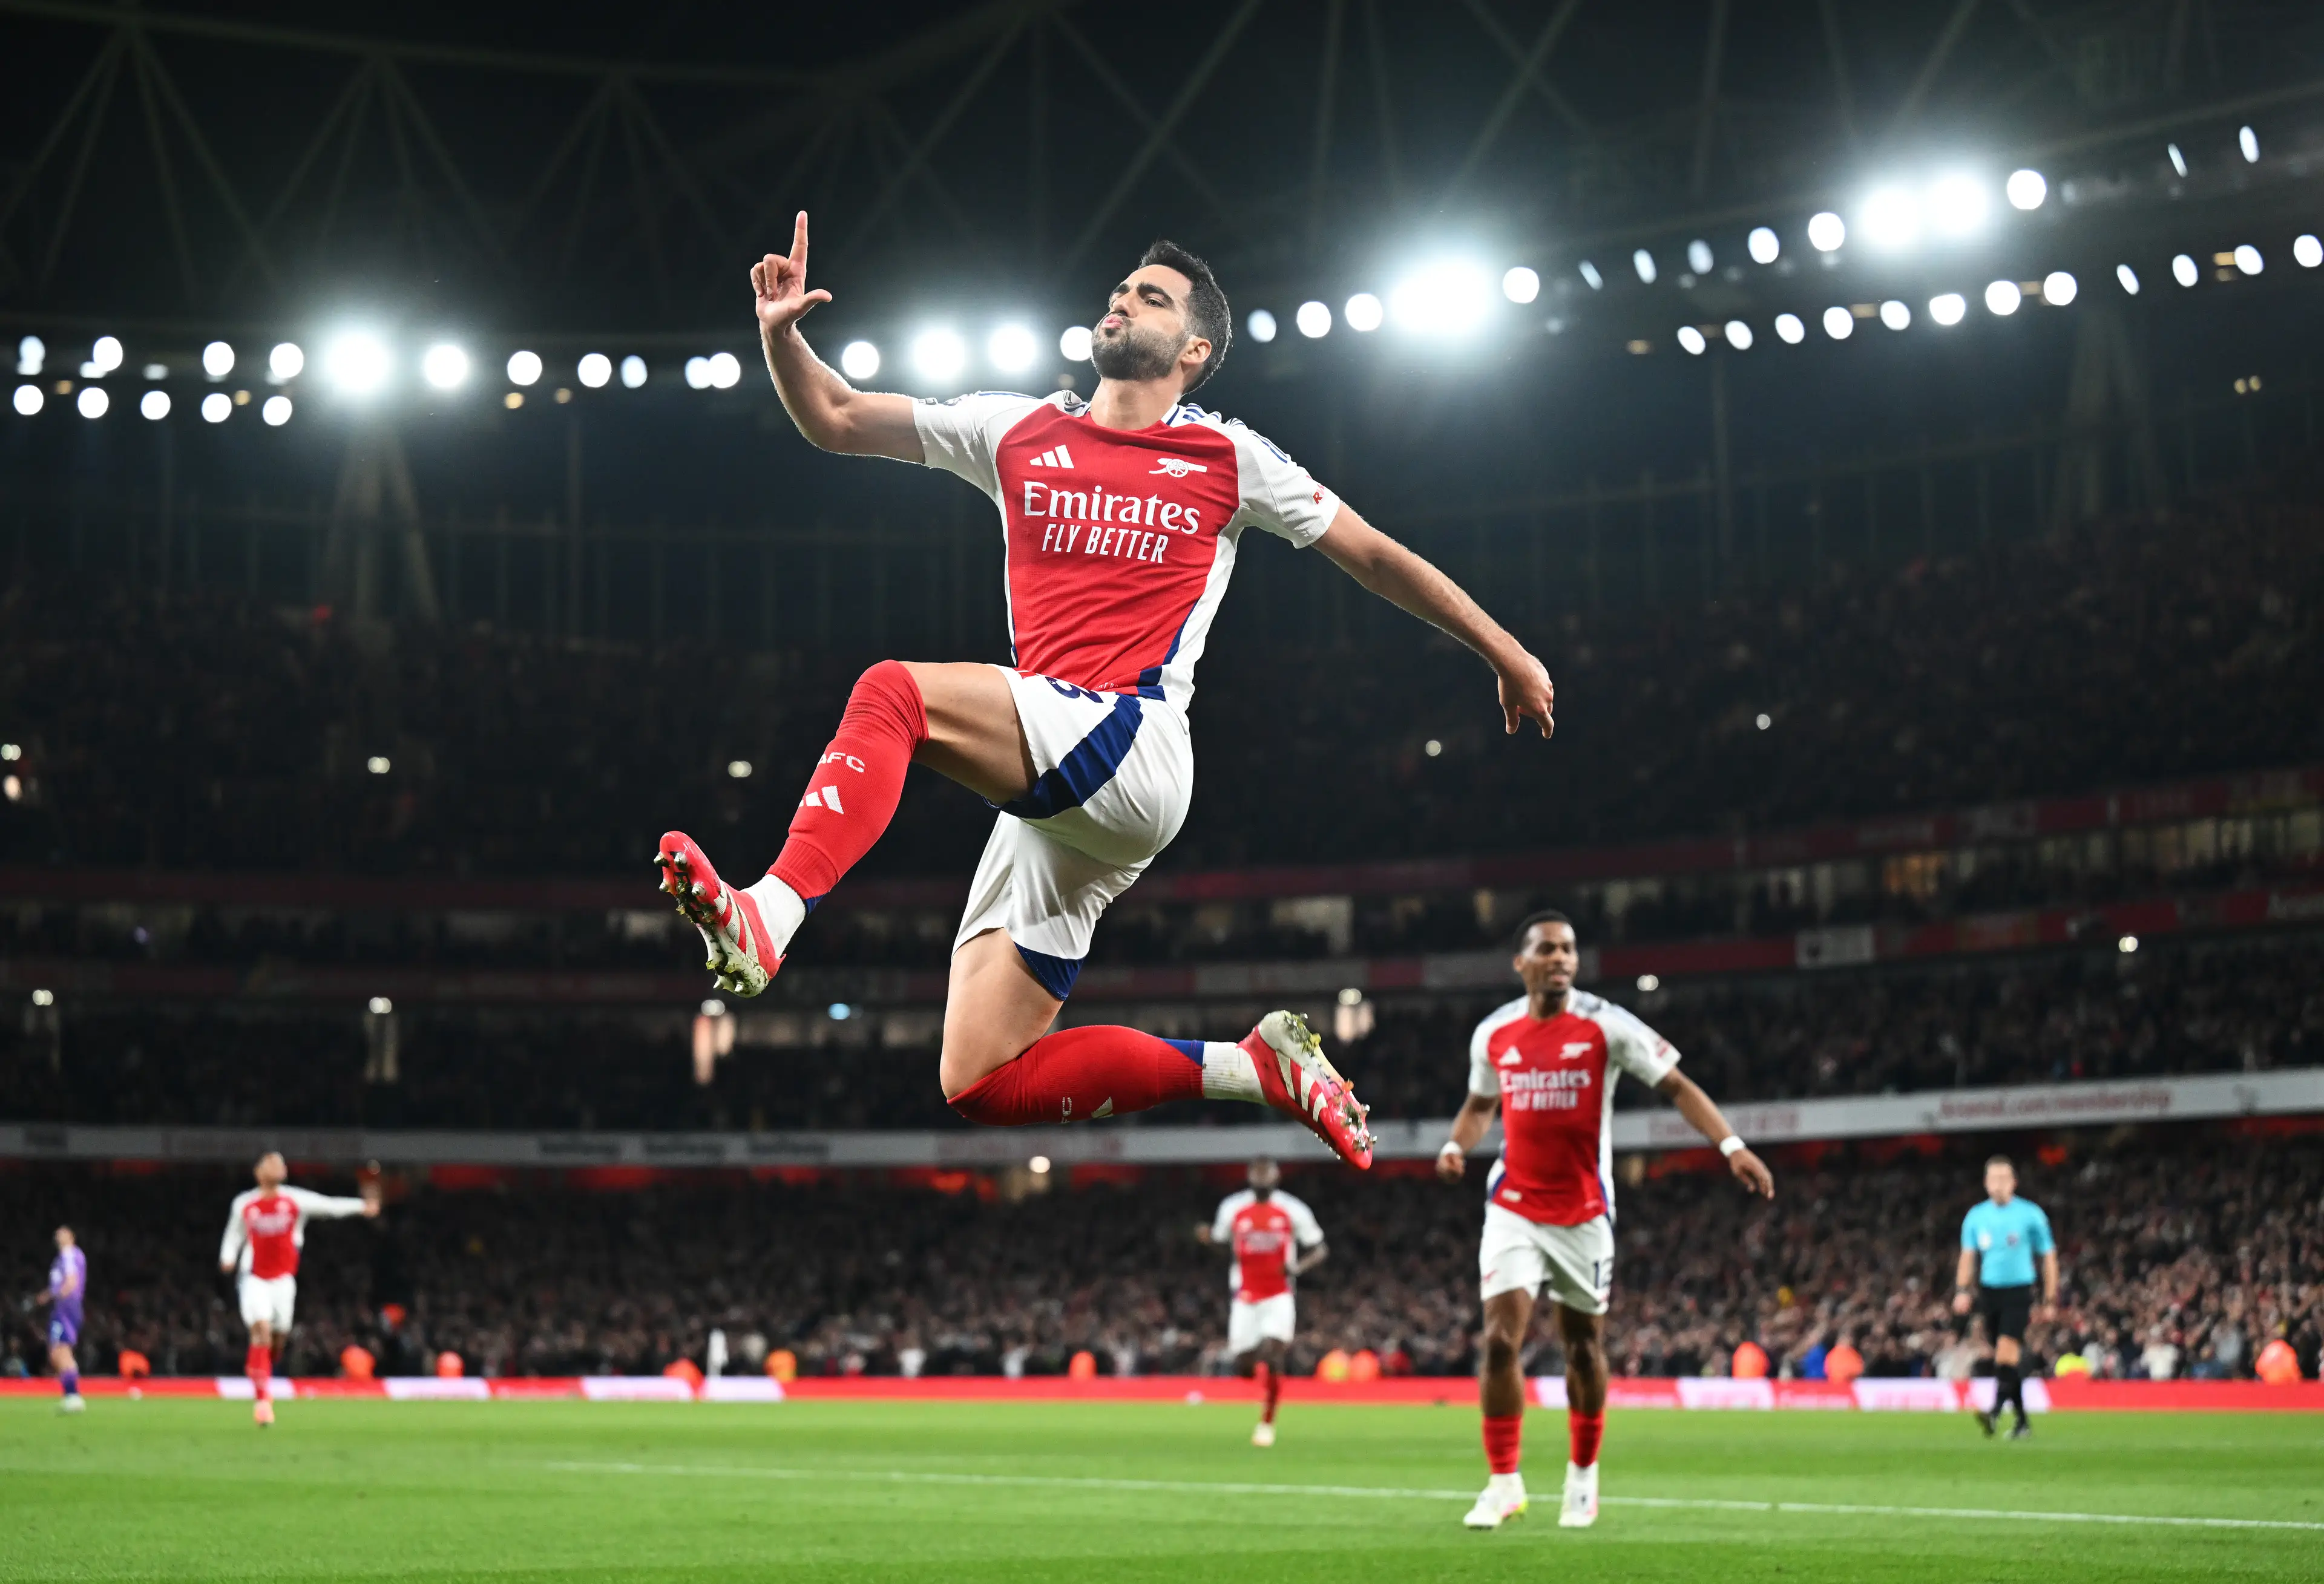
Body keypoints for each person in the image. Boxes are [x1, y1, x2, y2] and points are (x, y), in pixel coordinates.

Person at [654, 215, 1556, 1170]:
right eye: (1123, 288)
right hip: (1061, 779)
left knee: (895, 695)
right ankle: (1253, 1068)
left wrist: (1506, 652)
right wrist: (781, 337)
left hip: (1134, 742)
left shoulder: (1228, 456)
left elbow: (1371, 554)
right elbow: (836, 417)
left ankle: (771, 915)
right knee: (982, 1077)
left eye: (1153, 297)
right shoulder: (1017, 426)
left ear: (1194, 350)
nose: (1124, 299)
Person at [1437, 911, 1774, 1531]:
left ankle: (1583, 1474)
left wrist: (1732, 1146)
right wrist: (1457, 1145)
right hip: (1513, 1204)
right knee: (1498, 1339)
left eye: (1568, 949)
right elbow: (1480, 1104)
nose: (1561, 958)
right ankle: (1504, 1480)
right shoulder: (1495, 1033)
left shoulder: (1607, 1025)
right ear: (1522, 962)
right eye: (1547, 948)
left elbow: (1676, 1085)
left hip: (1584, 1213)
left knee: (1582, 1347)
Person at [218, 1153, 380, 1427]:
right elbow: (234, 1234)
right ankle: (263, 1402)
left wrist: (361, 1206)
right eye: (272, 1162)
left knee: (277, 1341)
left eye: (281, 1163)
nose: (279, 1166)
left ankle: (258, 1367)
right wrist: (228, 1257)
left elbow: (328, 1206)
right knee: (262, 1331)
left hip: (283, 1281)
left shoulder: (294, 1200)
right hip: (253, 1277)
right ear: (259, 1172)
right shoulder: (245, 1204)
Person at [1195, 1158, 1326, 1446]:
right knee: (1244, 1363)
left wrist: (1297, 1268)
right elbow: (1223, 1245)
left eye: (1267, 1172)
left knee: (1274, 1351)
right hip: (1244, 1294)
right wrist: (1208, 1240)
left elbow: (1319, 1248)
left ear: (1276, 1177)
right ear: (1250, 1176)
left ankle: (1267, 1422)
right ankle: (1253, 1373)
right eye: (1258, 1172)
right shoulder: (1232, 1208)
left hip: (1279, 1294)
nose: (1262, 1177)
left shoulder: (1293, 1209)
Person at [1952, 1153, 2057, 1439]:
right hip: (1989, 1293)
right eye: (1993, 1179)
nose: (1999, 1184)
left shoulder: (2030, 1214)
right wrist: (1962, 1290)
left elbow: (2048, 1256)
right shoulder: (1976, 1217)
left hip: (2018, 1292)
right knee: (2006, 1361)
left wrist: (2049, 1298)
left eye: (2004, 1179)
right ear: (1986, 1183)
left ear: (2014, 1183)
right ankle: (2022, 1422)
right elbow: (1968, 1256)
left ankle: (1995, 1411)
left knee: (2005, 1353)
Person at [34, 1226, 86, 1414]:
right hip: (64, 1308)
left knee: (60, 1351)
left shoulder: (69, 1254)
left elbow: (70, 1281)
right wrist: (46, 1296)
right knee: (57, 1352)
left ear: (72, 1237)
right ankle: (71, 1395)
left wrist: (60, 1295)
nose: (59, 1236)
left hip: (66, 1308)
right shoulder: (62, 1258)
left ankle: (73, 1396)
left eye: (63, 1233)